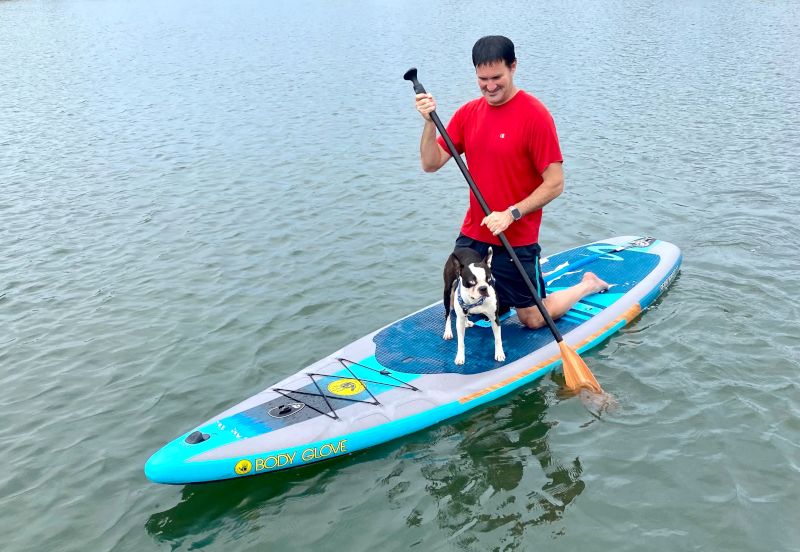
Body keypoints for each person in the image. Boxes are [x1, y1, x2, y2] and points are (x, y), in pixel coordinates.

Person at [414, 35, 608, 329]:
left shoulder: (535, 115)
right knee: (463, 306)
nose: (489, 86)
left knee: (531, 318)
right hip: (475, 233)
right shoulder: (468, 114)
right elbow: (430, 164)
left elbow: (555, 183)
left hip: (516, 238)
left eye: (497, 77)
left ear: (513, 67)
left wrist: (511, 214)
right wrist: (429, 123)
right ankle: (496, 300)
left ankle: (587, 285)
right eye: (482, 79)